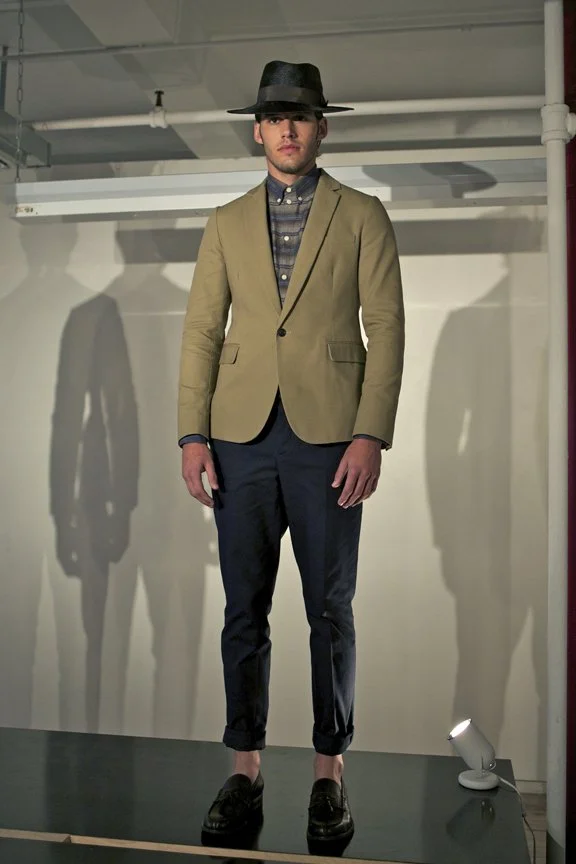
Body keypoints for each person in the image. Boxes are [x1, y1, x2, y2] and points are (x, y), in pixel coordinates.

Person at [178, 60, 405, 843]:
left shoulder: (362, 214)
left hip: (330, 439)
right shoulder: (225, 221)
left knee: (329, 610)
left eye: (300, 117)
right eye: (275, 117)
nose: (287, 129)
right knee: (244, 609)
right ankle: (244, 768)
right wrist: (192, 432)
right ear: (257, 131)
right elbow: (203, 331)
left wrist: (371, 432)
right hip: (239, 438)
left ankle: (328, 773)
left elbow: (386, 327)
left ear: (321, 128)